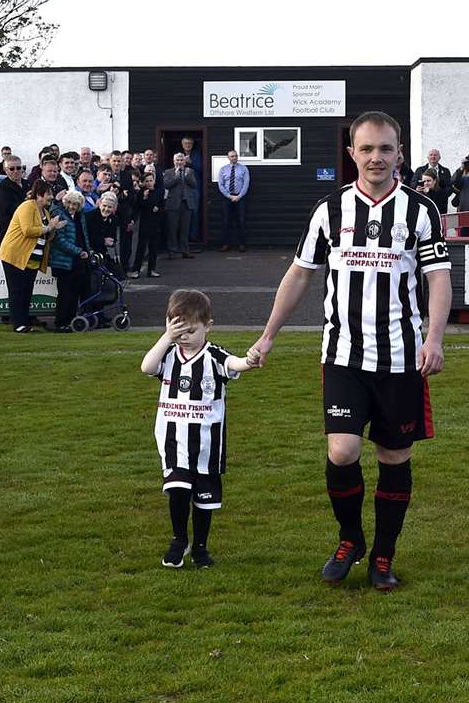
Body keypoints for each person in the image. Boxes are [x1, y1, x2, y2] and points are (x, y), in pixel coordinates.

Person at [247, 111, 451, 593]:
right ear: (351, 153)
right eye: (367, 149)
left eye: (385, 148)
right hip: (342, 353)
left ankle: (384, 553)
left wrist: (435, 338)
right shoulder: (329, 210)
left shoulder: (421, 211)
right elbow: (299, 273)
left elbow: (438, 278)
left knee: (393, 455)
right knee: (342, 450)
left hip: (401, 357)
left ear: (399, 153)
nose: (376, 157)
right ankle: (350, 538)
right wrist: (268, 334)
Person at [139, 289, 257, 568]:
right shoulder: (167, 354)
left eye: (191, 330)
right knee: (178, 489)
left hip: (207, 446)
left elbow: (234, 364)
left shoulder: (214, 356)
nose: (184, 337)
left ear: (208, 326)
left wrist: (249, 361)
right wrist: (167, 337)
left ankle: (201, 548)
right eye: (178, 331)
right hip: (173, 440)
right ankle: (179, 540)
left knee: (204, 502)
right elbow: (146, 367)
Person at [0, 178, 56, 332]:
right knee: (17, 291)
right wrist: (48, 227)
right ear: (39, 195)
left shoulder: (46, 212)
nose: (51, 197)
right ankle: (18, 324)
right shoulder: (27, 207)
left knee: (27, 291)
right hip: (16, 255)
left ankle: (24, 321)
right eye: (48, 194)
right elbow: (28, 230)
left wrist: (54, 228)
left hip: (32, 259)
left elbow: (46, 236)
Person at [48, 189, 95, 331]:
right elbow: (59, 240)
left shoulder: (80, 216)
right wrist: (78, 251)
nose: (72, 206)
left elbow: (84, 234)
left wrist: (88, 249)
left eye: (75, 204)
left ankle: (71, 321)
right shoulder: (59, 214)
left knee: (75, 293)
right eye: (69, 203)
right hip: (64, 262)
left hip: (77, 262)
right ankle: (61, 322)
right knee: (65, 293)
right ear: (65, 202)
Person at [161, 152, 199, 259]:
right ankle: (172, 251)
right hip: (173, 204)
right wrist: (177, 176)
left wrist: (187, 176)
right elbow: (166, 185)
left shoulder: (190, 171)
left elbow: (194, 185)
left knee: (185, 229)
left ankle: (185, 251)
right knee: (172, 229)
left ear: (184, 161)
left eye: (181, 160)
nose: (179, 162)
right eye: (177, 160)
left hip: (186, 204)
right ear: (174, 161)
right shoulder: (168, 172)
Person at [131, 167, 164, 278]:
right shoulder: (141, 193)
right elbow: (138, 206)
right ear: (143, 182)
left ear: (154, 181)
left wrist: (158, 209)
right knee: (141, 247)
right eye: (147, 181)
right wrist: (144, 197)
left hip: (155, 223)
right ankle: (136, 270)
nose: (149, 183)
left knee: (153, 248)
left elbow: (162, 206)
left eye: (151, 180)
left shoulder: (159, 191)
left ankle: (152, 269)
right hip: (144, 223)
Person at [216, 149, 250, 252]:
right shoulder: (223, 169)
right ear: (228, 158)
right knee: (226, 221)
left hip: (240, 197)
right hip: (227, 198)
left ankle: (242, 244)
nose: (234, 158)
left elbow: (246, 183)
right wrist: (229, 196)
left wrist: (239, 196)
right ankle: (225, 244)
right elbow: (220, 184)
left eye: (235, 156)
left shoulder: (244, 169)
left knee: (241, 221)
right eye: (232, 156)